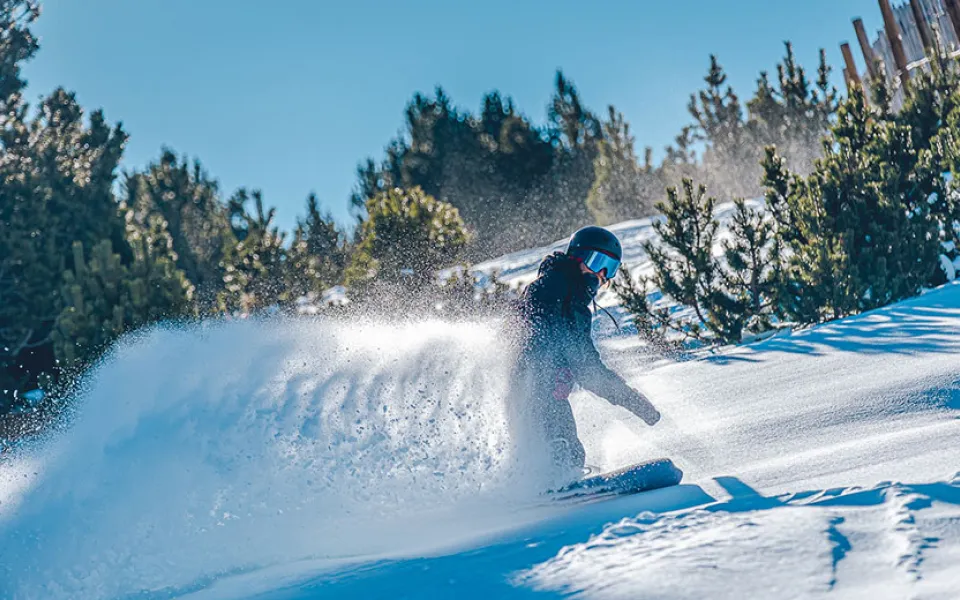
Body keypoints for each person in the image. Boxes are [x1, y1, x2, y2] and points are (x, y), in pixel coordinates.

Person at [514, 226, 661, 472]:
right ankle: (554, 480)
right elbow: (582, 365)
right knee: (564, 453)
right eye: (597, 262)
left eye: (610, 268)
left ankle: (550, 477)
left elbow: (584, 364)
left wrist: (630, 398)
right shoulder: (554, 289)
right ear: (576, 257)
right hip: (534, 389)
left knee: (565, 453)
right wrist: (631, 400)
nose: (601, 274)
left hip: (544, 391)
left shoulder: (571, 299)